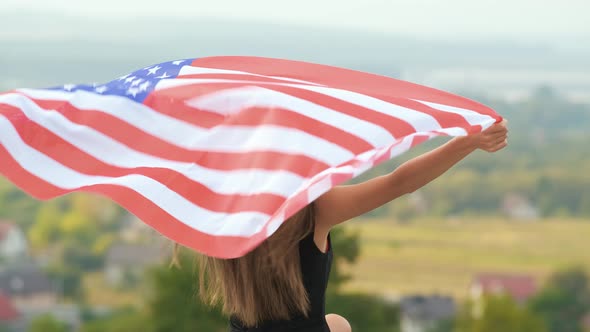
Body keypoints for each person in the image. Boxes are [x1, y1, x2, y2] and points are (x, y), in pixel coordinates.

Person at [192, 120, 508, 332]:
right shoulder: (309, 212)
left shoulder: (219, 218)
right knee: (339, 324)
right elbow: (399, 182)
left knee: (338, 324)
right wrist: (467, 143)